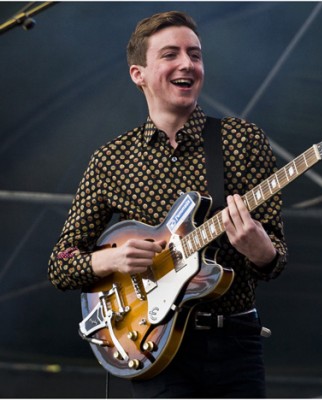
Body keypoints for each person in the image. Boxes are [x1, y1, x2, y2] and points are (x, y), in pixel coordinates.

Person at [48, 10, 288, 398]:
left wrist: (258, 249)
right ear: (138, 74)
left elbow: (275, 259)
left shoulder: (242, 141)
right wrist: (111, 260)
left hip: (235, 345)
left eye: (195, 54)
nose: (187, 64)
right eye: (170, 54)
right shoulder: (111, 159)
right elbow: (60, 264)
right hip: (150, 345)